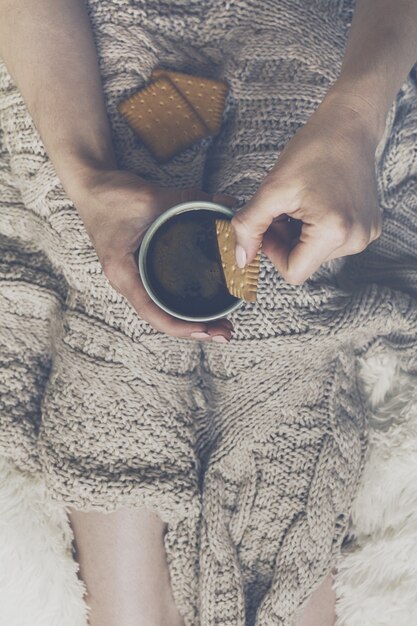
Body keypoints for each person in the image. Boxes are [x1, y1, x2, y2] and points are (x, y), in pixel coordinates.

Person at [0, 1, 416, 625]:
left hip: (328, 60)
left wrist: (354, 119)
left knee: (275, 307)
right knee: (124, 290)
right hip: (88, 58)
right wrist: (88, 180)